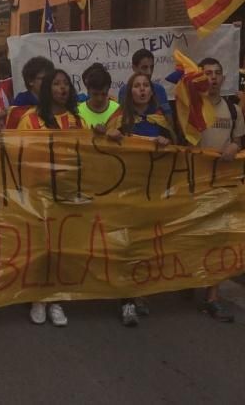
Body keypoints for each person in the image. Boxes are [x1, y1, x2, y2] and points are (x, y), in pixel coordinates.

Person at [105, 72, 175, 327]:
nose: (142, 90)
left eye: (146, 86)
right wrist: (110, 136)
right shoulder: (120, 118)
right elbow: (101, 147)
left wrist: (166, 141)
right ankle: (127, 300)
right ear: (130, 92)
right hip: (127, 189)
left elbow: (177, 149)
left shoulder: (162, 119)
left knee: (147, 243)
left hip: (153, 189)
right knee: (128, 244)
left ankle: (140, 292)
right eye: (137, 86)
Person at [16, 69, 83, 327]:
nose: (62, 88)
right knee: (39, 248)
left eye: (66, 84)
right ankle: (37, 298)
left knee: (61, 248)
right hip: (38, 191)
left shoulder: (77, 120)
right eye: (56, 84)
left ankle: (55, 299)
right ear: (48, 89)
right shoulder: (30, 119)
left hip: (67, 191)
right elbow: (19, 153)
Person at [194, 58, 245, 322]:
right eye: (207, 74)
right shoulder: (190, 108)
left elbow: (239, 140)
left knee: (217, 238)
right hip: (194, 185)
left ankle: (213, 296)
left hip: (223, 183)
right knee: (194, 236)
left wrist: (233, 148)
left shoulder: (233, 110)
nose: (212, 78)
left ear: (223, 78)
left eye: (216, 73)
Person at [117, 49, 172, 119]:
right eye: (144, 67)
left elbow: (169, 121)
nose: (149, 72)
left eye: (151, 67)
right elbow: (121, 120)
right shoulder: (124, 90)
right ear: (134, 68)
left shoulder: (159, 90)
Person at [6, 56, 55, 128]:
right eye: (44, 78)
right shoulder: (20, 103)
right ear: (30, 81)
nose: (49, 82)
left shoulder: (55, 100)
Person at [77, 63, 119, 129]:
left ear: (108, 90)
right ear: (88, 90)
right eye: (95, 94)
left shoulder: (117, 110)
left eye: (103, 94)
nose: (100, 99)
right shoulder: (78, 112)